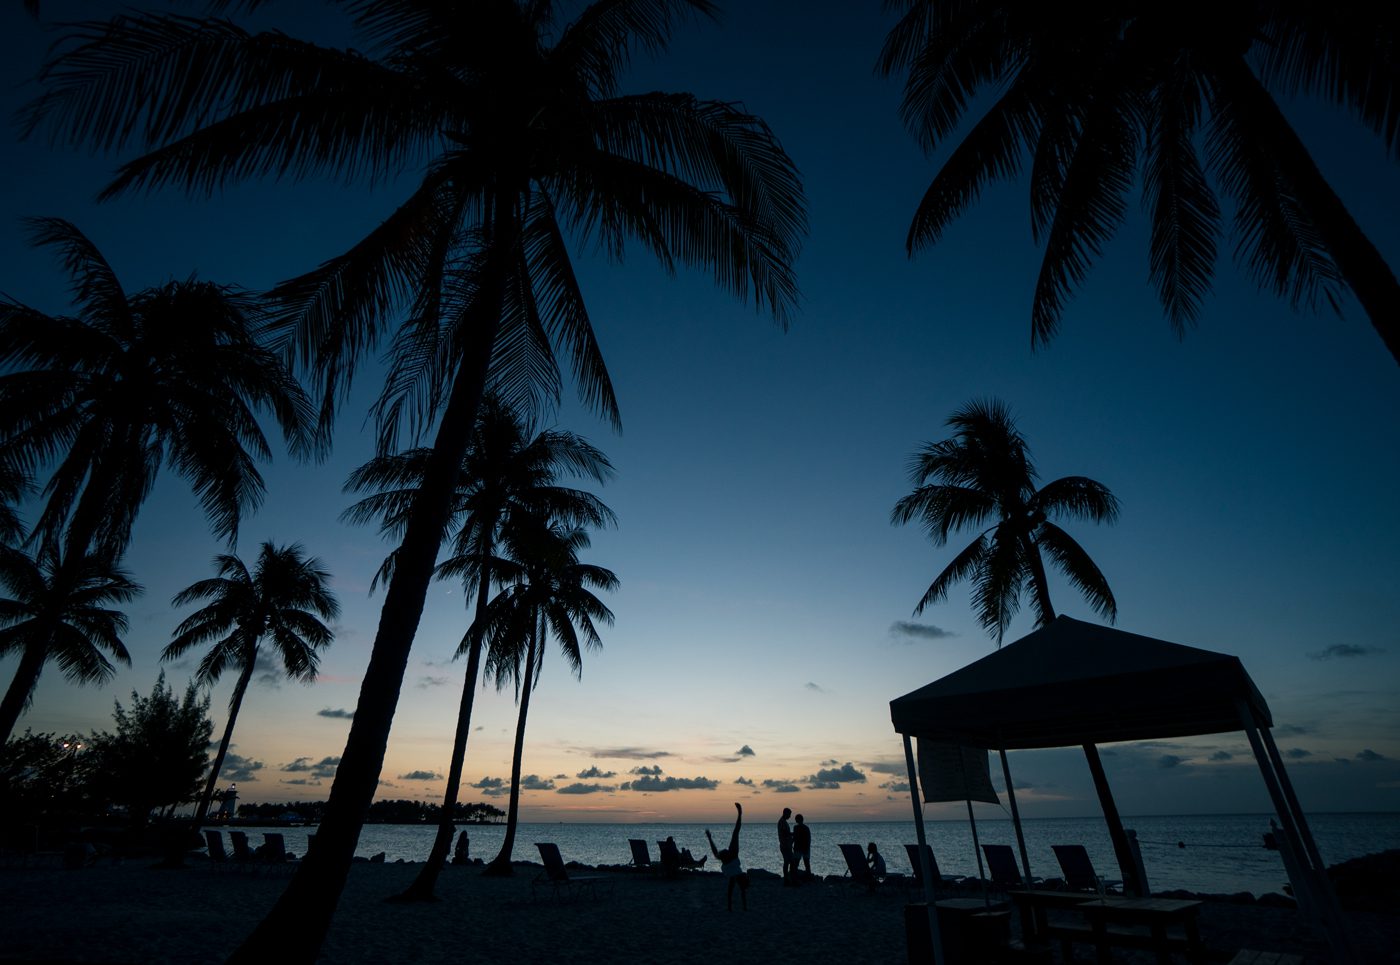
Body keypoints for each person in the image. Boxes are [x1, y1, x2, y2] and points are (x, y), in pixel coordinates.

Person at [706, 802, 749, 910]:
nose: (724, 849)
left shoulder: (725, 857)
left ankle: (734, 907)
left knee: (735, 886)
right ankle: (738, 907)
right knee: (735, 833)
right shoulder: (728, 856)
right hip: (732, 864)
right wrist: (710, 838)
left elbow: (715, 852)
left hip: (732, 865)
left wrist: (710, 838)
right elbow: (715, 852)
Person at [777, 807, 795, 884]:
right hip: (785, 846)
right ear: (785, 813)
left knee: (789, 862)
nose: (790, 816)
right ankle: (787, 879)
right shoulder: (782, 822)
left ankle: (788, 879)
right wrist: (793, 834)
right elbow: (785, 833)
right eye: (789, 814)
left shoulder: (783, 821)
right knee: (788, 862)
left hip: (787, 845)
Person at [792, 813, 811, 881]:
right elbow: (808, 839)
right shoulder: (806, 828)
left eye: (796, 819)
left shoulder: (796, 827)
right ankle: (807, 877)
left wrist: (791, 844)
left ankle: (795, 877)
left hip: (799, 848)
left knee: (797, 864)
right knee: (806, 864)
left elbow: (794, 838)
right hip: (803, 848)